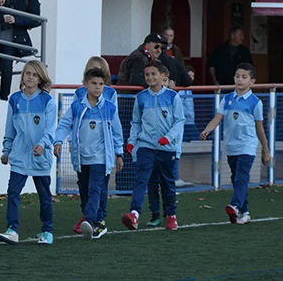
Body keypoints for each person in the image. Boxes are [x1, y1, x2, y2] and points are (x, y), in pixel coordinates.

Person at [53, 67, 124, 241]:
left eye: (101, 84)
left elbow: (117, 132)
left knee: (95, 189)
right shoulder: (77, 107)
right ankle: (97, 221)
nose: (98, 87)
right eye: (93, 83)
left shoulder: (109, 108)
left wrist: (119, 153)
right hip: (81, 157)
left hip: (100, 158)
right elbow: (64, 125)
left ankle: (90, 221)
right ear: (85, 85)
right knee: (85, 191)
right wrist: (58, 141)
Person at [200, 63, 271, 225]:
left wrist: (265, 150)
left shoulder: (255, 102)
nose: (240, 79)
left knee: (241, 176)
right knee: (235, 178)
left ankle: (235, 205)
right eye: (237, 76)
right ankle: (244, 212)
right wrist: (207, 130)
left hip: (247, 145)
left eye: (244, 77)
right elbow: (217, 118)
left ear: (252, 81)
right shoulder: (227, 99)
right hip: (231, 146)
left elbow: (260, 128)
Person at [0, 60, 57, 245]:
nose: (30, 77)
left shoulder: (47, 101)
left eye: (34, 74)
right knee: (13, 192)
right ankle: (12, 229)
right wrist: (6, 150)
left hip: (41, 157)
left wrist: (42, 144)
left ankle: (47, 231)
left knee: (44, 196)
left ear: (40, 79)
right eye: (27, 73)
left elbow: (50, 130)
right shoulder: (15, 100)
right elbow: (10, 129)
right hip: (20, 156)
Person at [121, 61, 185, 232]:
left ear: (163, 76)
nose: (149, 77)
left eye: (153, 74)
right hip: (146, 145)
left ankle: (170, 215)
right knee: (143, 179)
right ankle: (134, 213)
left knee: (167, 183)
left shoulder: (172, 97)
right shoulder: (141, 97)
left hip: (167, 148)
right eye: (147, 74)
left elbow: (179, 121)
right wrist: (132, 141)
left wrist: (168, 138)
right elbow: (135, 122)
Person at [69, 56, 118, 236]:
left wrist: (117, 151)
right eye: (91, 69)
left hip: (101, 152)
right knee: (84, 187)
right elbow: (70, 122)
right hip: (82, 152)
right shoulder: (79, 95)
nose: (97, 85)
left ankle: (97, 219)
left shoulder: (110, 95)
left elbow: (114, 125)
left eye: (98, 70)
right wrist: (67, 142)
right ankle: (89, 216)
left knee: (98, 187)